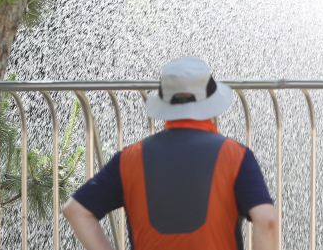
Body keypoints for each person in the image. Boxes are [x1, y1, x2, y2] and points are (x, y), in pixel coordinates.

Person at [62, 57, 278, 250]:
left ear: (164, 101)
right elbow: (266, 219)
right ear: (211, 101)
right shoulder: (235, 155)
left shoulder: (129, 158)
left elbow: (76, 210)